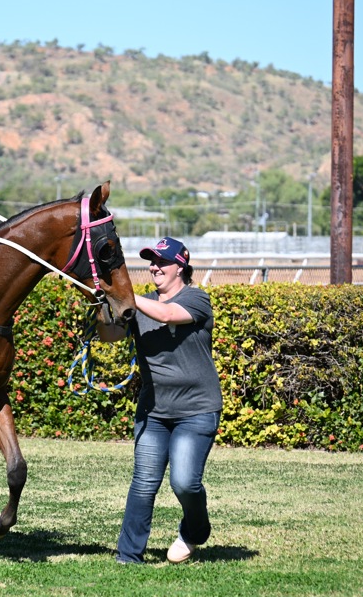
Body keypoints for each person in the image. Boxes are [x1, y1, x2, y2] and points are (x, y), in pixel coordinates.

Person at [98, 237, 222, 564]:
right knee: (144, 483)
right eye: (151, 261)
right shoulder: (139, 305)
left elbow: (167, 314)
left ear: (180, 267)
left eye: (161, 261)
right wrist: (102, 306)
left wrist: (124, 295)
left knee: (184, 483)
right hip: (154, 412)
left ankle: (195, 530)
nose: (154, 267)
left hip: (197, 409)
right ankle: (128, 556)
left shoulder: (196, 298)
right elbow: (109, 335)